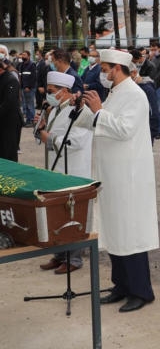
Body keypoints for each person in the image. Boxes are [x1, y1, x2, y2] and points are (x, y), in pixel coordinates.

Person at [75, 49, 159, 313]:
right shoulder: (114, 93)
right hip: (110, 174)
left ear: (117, 69)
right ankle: (121, 285)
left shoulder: (135, 95)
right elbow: (102, 124)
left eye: (104, 68)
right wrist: (84, 111)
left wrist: (98, 111)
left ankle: (141, 291)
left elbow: (123, 129)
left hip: (128, 176)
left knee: (130, 234)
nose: (101, 73)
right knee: (113, 232)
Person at [36, 71, 93, 274]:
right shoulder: (53, 110)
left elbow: (76, 142)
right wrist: (40, 128)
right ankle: (59, 255)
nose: (48, 95)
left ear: (65, 91)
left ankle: (74, 260)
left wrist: (48, 138)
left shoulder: (81, 112)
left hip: (73, 169)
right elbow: (45, 136)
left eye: (51, 91)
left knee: (72, 215)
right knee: (58, 214)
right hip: (56, 169)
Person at [0, 58, 22, 162]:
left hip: (10, 122)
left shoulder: (10, 80)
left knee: (8, 151)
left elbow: (8, 103)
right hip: (2, 121)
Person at [18, 51, 37, 127]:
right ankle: (28, 120)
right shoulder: (21, 65)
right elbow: (21, 76)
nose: (23, 56)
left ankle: (32, 120)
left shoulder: (32, 65)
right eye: (22, 54)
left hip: (29, 88)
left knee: (30, 105)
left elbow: (33, 77)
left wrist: (28, 87)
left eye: (24, 55)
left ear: (29, 56)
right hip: (23, 88)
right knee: (25, 105)